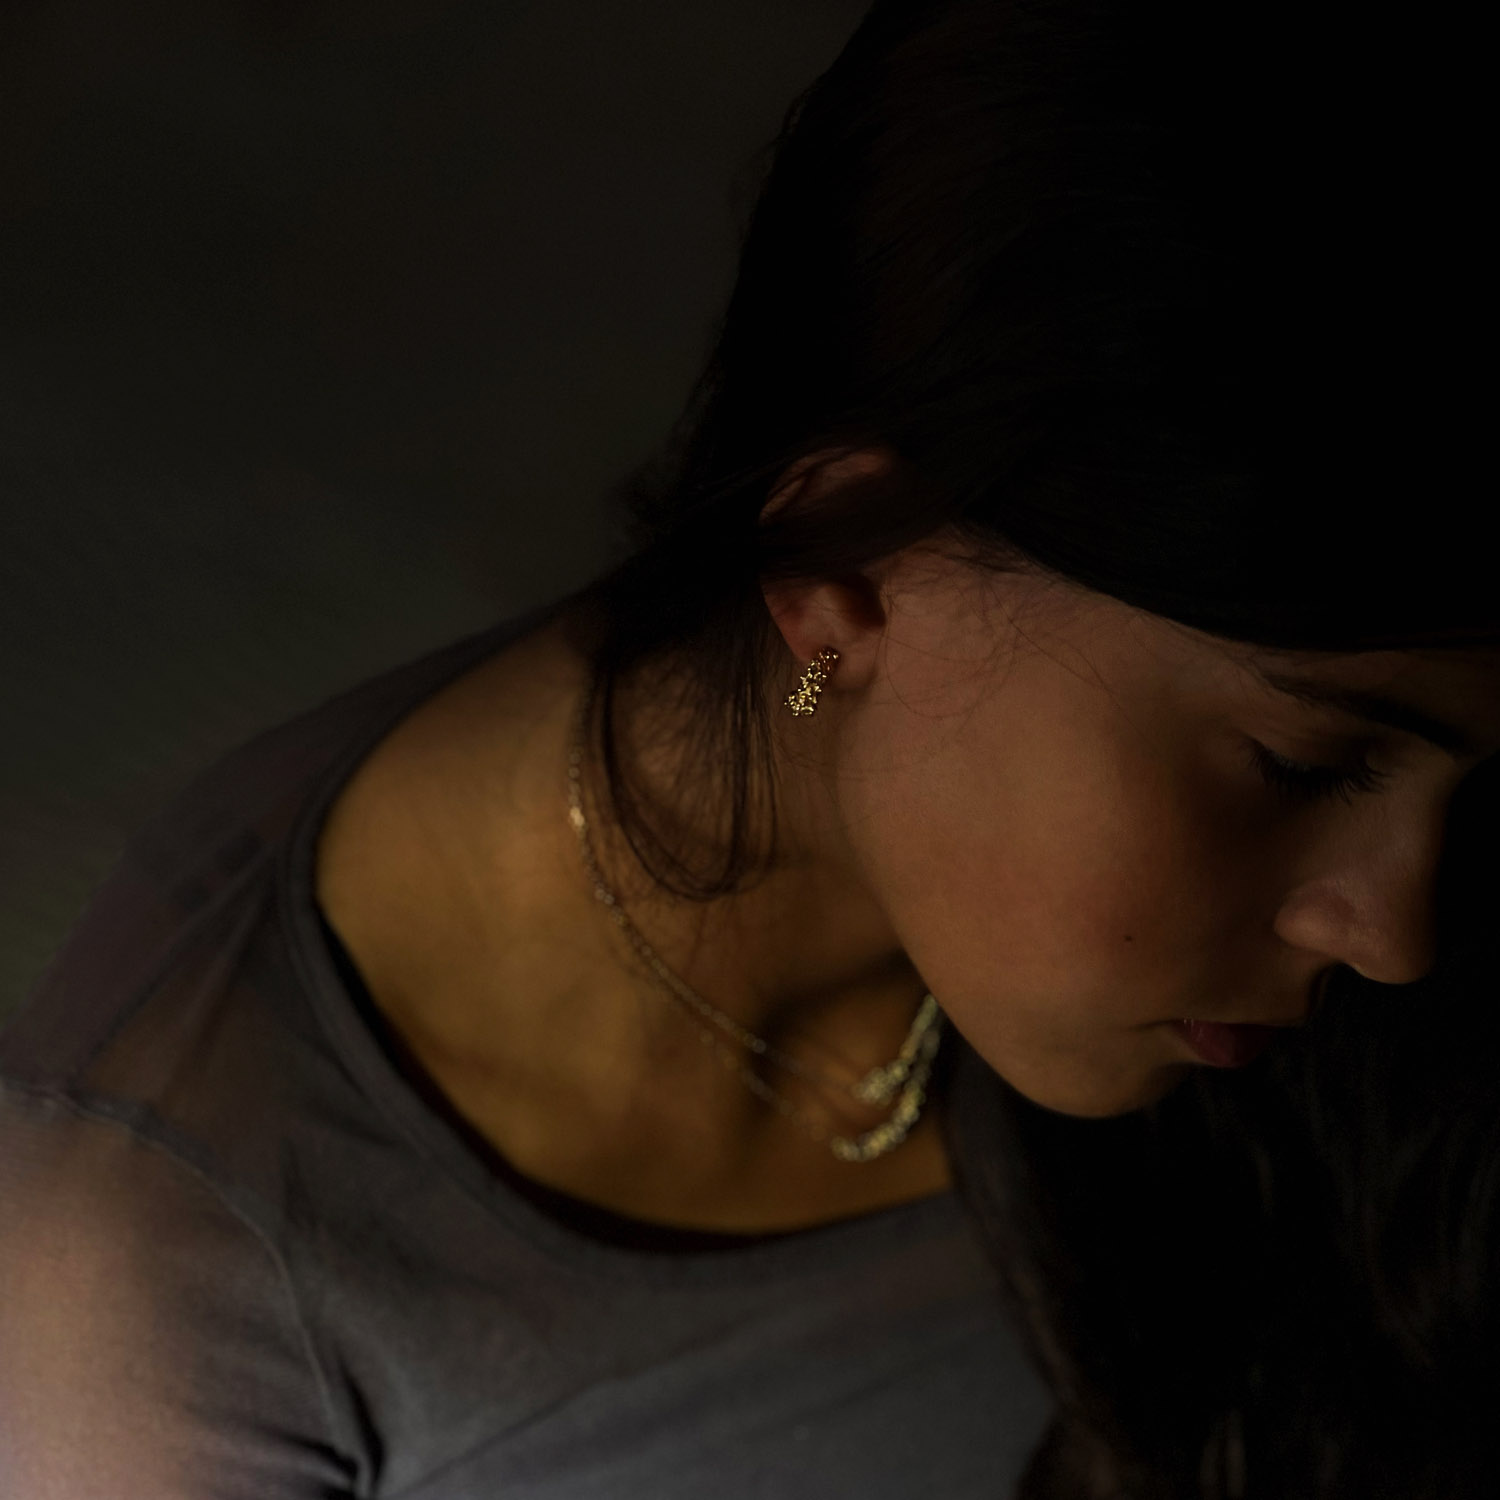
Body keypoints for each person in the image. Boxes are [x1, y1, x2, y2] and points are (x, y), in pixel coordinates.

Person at [3, 1, 1497, 1496]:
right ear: (850, 571)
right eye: (1304, 766)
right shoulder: (157, 1290)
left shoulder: (1205, 1001)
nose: (1397, 940)